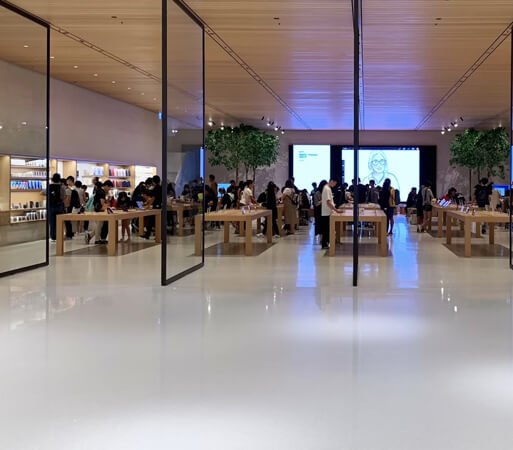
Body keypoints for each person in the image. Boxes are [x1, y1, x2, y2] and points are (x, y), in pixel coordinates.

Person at [321, 178, 341, 249]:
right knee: (326, 229)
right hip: (327, 212)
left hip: (328, 211)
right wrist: (336, 210)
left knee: (327, 229)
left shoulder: (327, 188)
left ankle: (327, 243)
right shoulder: (327, 189)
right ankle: (325, 244)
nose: (335, 185)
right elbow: (328, 202)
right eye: (335, 183)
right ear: (332, 181)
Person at [143, 175, 162, 239]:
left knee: (153, 221)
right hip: (158, 205)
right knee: (153, 221)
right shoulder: (159, 187)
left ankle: (153, 235)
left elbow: (153, 198)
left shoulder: (157, 188)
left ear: (153, 181)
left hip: (156, 206)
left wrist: (148, 206)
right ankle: (148, 234)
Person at [49, 173, 64, 242]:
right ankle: (59, 236)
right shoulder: (61, 187)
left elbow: (43, 193)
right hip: (59, 206)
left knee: (52, 222)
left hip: (51, 206)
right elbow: (63, 196)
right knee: (59, 222)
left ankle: (53, 237)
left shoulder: (49, 186)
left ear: (52, 179)